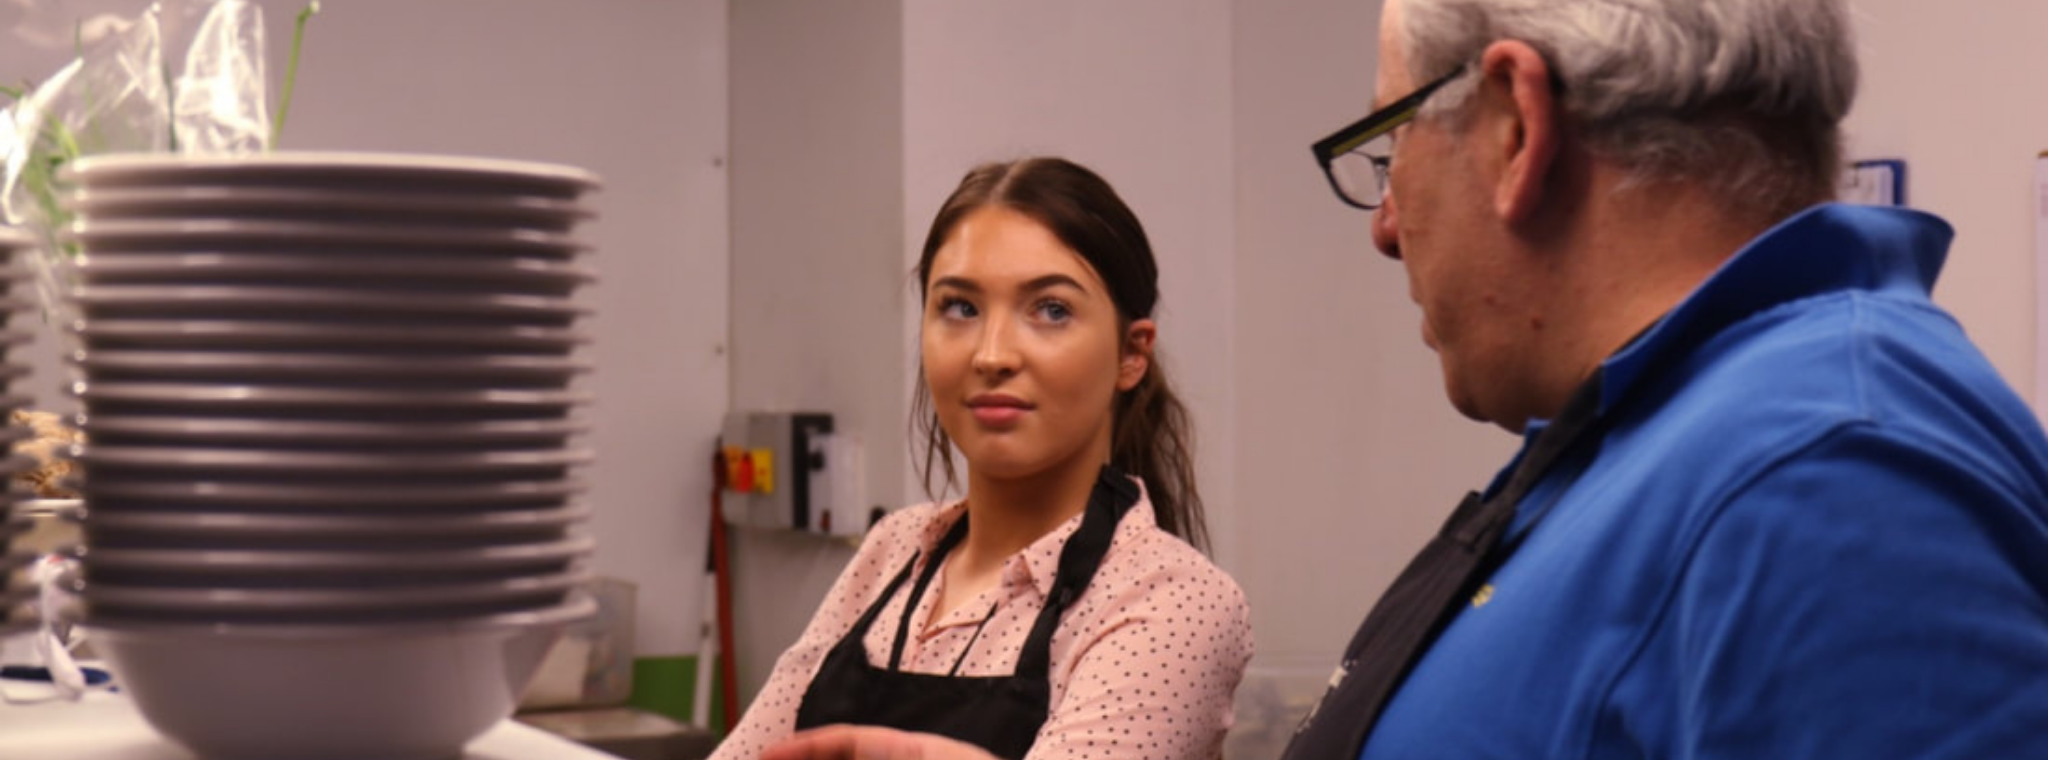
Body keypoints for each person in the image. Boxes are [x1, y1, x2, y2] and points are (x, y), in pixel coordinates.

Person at [1279, 0, 2048, 758]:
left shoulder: (1828, 474)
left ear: (1516, 126)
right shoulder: (1679, 429)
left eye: (1394, 148)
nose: (1385, 229)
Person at [712, 157, 1253, 760]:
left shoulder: (1171, 600)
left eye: (1051, 309)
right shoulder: (895, 550)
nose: (992, 354)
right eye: (961, 308)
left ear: (1132, 353)